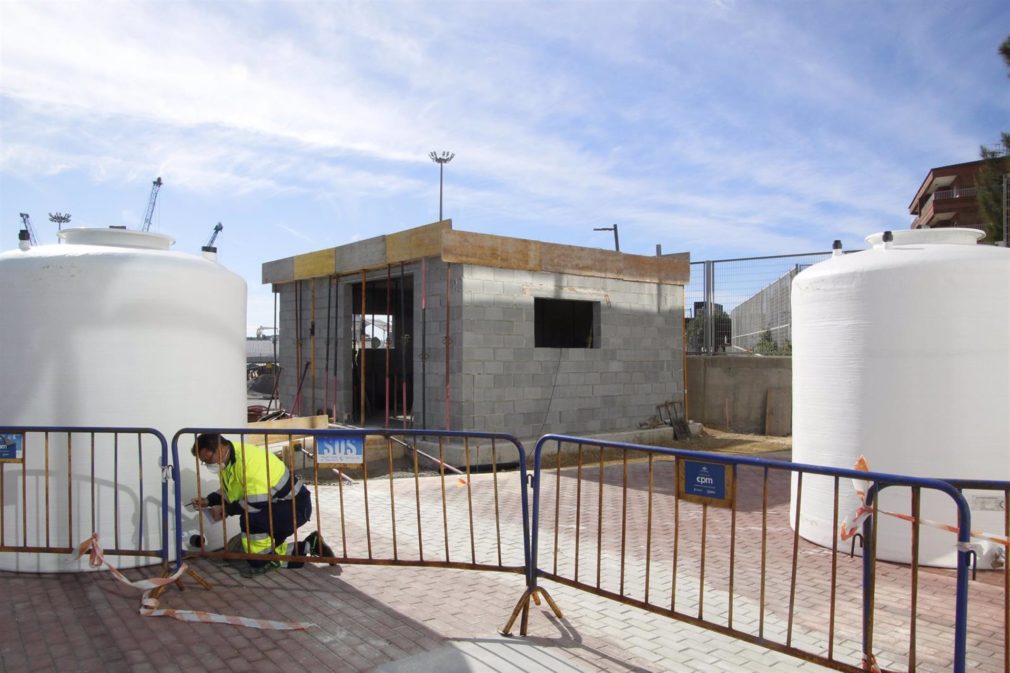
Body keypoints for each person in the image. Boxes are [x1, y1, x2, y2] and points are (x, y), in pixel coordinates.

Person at [189, 433, 332, 577]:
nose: (207, 464)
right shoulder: (228, 461)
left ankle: (264, 560)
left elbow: (255, 503)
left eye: (207, 459)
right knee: (239, 550)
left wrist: (226, 509)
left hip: (295, 508)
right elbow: (232, 491)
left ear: (220, 449)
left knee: (248, 520)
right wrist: (209, 500)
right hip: (279, 507)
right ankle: (308, 545)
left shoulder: (248, 462)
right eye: (203, 462)